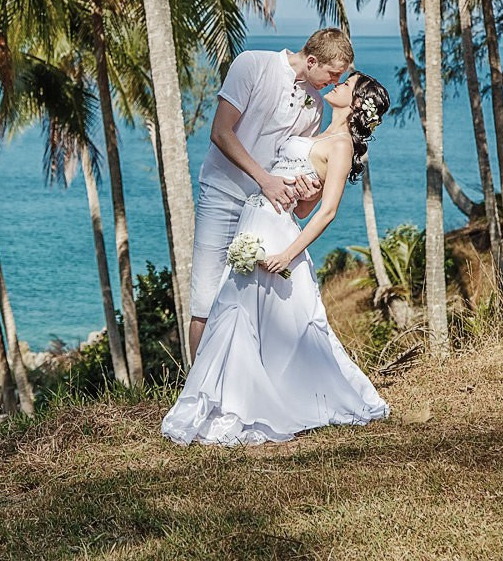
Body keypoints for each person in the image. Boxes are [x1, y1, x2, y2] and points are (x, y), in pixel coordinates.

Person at [162, 72, 392, 446]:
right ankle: (228, 400)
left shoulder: (342, 145)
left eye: (347, 84)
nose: (338, 84)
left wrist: (288, 253)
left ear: (355, 105)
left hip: (277, 236)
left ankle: (249, 405)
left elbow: (327, 211)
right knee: (241, 314)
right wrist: (305, 190)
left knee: (254, 316)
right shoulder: (319, 133)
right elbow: (302, 202)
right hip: (254, 219)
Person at [189, 29, 353, 358]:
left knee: (256, 303)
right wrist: (264, 179)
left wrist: (306, 189)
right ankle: (198, 393)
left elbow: (295, 165)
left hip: (269, 213)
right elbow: (220, 132)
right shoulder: (252, 65)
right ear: (311, 60)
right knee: (206, 300)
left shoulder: (316, 106)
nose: (335, 82)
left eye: (342, 78)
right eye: (333, 74)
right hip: (222, 195)